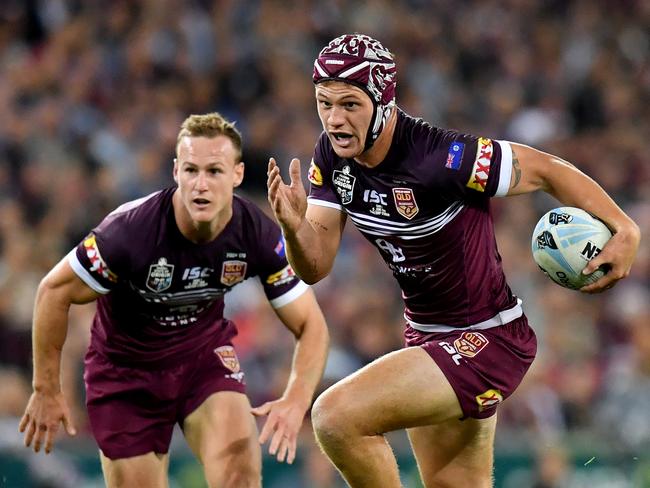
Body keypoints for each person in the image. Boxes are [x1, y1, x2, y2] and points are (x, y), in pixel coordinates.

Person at [267, 33, 641, 487]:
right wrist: (293, 227)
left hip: (487, 339)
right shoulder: (332, 156)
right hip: (427, 341)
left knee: (334, 417)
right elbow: (316, 266)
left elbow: (544, 169)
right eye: (324, 103)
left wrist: (625, 227)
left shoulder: (441, 156)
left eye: (349, 104)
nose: (334, 119)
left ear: (384, 102)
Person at [19, 112, 329, 488]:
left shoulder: (256, 233)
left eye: (214, 171)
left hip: (202, 358)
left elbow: (311, 324)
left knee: (239, 467)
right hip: (124, 373)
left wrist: (297, 399)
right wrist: (45, 389)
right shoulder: (129, 233)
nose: (201, 184)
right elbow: (53, 291)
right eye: (191, 170)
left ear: (237, 175)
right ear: (175, 172)